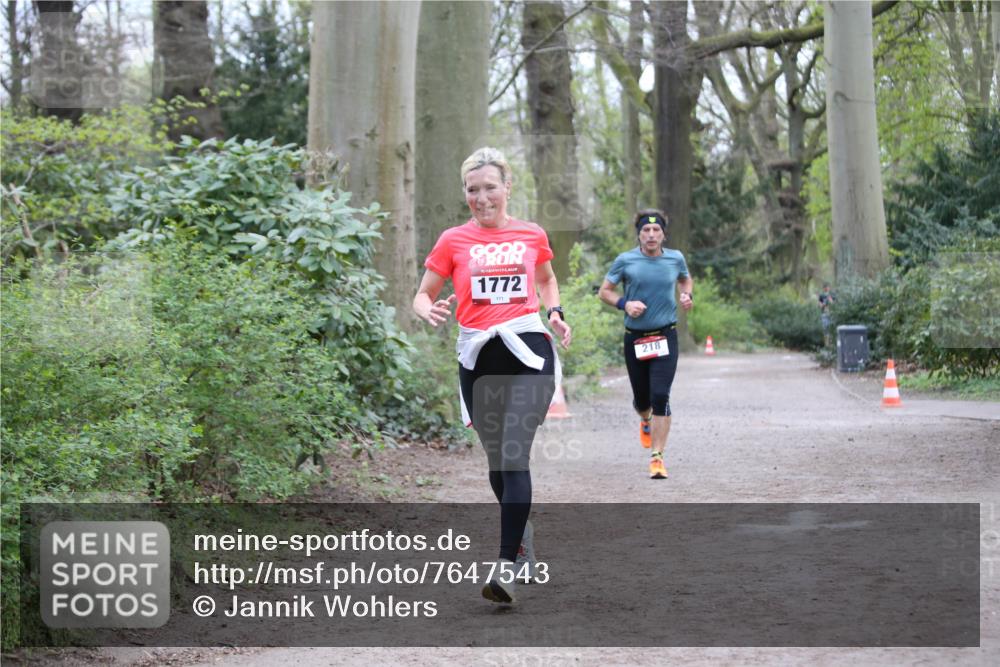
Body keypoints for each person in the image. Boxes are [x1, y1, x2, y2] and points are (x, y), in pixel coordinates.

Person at [413, 146, 571, 605]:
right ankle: (520, 533)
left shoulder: (531, 233)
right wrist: (428, 311)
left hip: (527, 349)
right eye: (472, 189)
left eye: (490, 188)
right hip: (478, 356)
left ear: (507, 188)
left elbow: (546, 280)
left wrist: (555, 311)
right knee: (497, 462)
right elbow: (422, 294)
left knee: (513, 454)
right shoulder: (452, 241)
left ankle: (505, 567)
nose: (481, 198)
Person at [598, 209, 693, 480]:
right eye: (645, 231)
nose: (651, 235)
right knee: (643, 401)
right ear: (639, 234)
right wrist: (624, 303)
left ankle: (657, 457)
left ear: (663, 234)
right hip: (635, 338)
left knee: (661, 395)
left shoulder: (675, 258)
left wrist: (686, 295)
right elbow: (604, 291)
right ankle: (645, 418)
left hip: (665, 335)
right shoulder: (625, 260)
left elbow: (685, 279)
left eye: (656, 231)